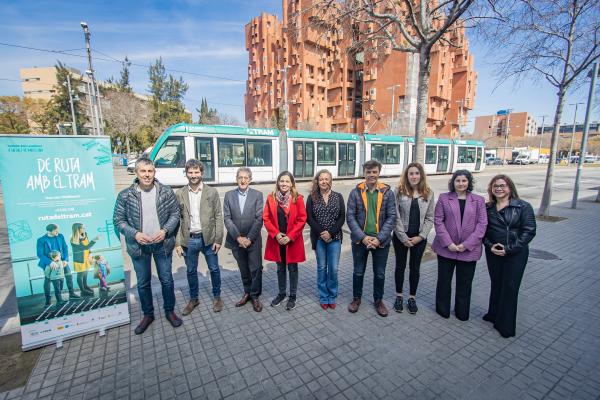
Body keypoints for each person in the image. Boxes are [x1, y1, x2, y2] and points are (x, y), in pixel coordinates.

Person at [114, 158, 182, 335]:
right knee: (143, 283)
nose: (147, 175)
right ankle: (148, 314)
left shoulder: (166, 192)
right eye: (143, 171)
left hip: (162, 245)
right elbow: (118, 220)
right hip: (139, 246)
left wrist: (166, 230)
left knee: (166, 280)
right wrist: (135, 234)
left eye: (150, 171)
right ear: (136, 173)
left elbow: (175, 214)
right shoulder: (125, 195)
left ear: (154, 173)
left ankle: (170, 311)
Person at [483, 174, 536, 338]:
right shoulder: (488, 208)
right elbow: (482, 231)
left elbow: (529, 231)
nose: (498, 188)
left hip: (515, 254)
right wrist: (491, 246)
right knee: (496, 283)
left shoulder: (523, 207)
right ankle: (493, 314)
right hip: (493, 252)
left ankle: (505, 325)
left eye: (502, 185)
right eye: (495, 186)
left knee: (510, 288)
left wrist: (509, 248)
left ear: (510, 188)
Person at [432, 170, 487, 321]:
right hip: (446, 248)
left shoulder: (479, 201)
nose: (461, 183)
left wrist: (467, 244)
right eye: (458, 181)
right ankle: (442, 309)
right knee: (444, 281)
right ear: (453, 182)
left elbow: (482, 225)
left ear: (469, 182)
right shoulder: (444, 198)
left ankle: (462, 311)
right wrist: (448, 242)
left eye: (464, 181)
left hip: (468, 250)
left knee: (465, 283)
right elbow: (438, 221)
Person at [346, 160, 396, 317]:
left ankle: (378, 300)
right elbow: (350, 216)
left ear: (379, 173)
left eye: (374, 171)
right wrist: (363, 237)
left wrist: (379, 238)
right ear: (364, 173)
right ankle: (356, 299)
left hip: (381, 242)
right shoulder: (356, 192)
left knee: (379, 273)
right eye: (369, 172)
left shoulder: (387, 192)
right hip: (360, 241)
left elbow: (392, 217)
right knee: (358, 271)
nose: (372, 175)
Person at [175, 159, 225, 314]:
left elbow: (218, 216)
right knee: (191, 271)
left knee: (214, 269)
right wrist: (177, 243)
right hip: (189, 239)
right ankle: (193, 299)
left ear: (202, 173)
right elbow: (177, 219)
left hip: (208, 238)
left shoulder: (211, 192)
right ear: (186, 174)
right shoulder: (180, 193)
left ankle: (217, 297)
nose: (194, 175)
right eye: (190, 172)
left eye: (196, 172)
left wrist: (218, 239)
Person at [392, 162, 435, 314]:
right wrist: (403, 237)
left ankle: (411, 297)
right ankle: (398, 296)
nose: (414, 176)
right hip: (400, 238)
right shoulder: (398, 192)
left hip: (419, 239)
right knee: (400, 266)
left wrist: (421, 236)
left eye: (417, 173)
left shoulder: (428, 193)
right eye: (411, 173)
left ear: (421, 175)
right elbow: (395, 216)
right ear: (407, 176)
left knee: (415, 268)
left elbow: (430, 218)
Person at [263, 171, 307, 311]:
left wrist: (290, 236)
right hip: (277, 241)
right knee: (280, 269)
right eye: (282, 181)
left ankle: (292, 296)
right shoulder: (271, 198)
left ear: (291, 184)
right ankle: (282, 293)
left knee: (292, 269)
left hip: (292, 242)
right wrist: (276, 234)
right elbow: (266, 218)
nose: (284, 184)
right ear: (278, 182)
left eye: (287, 181)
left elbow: (302, 219)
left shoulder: (297, 198)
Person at [223, 167, 264, 312]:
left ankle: (255, 296)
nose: (243, 180)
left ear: (250, 180)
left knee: (256, 269)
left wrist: (248, 238)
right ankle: (247, 292)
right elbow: (227, 219)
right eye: (240, 177)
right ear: (236, 179)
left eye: (246, 177)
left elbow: (259, 219)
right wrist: (238, 237)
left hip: (253, 240)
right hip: (236, 240)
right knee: (244, 269)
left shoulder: (258, 195)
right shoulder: (228, 195)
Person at [306, 169, 345, 310]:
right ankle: (323, 296)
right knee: (322, 268)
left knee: (333, 269)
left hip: (335, 238)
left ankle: (332, 295)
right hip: (319, 238)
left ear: (331, 181)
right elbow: (309, 218)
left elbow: (342, 217)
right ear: (317, 181)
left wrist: (331, 232)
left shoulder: (338, 196)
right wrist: (322, 233)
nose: (324, 181)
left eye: (326, 179)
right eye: (321, 179)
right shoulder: (312, 197)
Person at [37, 223, 80, 306]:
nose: (58, 231)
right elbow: (40, 254)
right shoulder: (41, 240)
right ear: (49, 231)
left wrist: (66, 260)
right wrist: (50, 262)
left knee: (69, 276)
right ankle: (48, 300)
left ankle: (71, 294)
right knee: (48, 280)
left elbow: (65, 248)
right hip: (49, 263)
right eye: (55, 230)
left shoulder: (60, 236)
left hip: (62, 262)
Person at [70, 223, 98, 297]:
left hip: (86, 258)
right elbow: (84, 247)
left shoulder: (84, 235)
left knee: (85, 273)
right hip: (79, 260)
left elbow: (88, 248)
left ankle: (85, 286)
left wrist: (90, 254)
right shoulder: (73, 239)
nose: (84, 229)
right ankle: (82, 290)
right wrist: (94, 240)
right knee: (80, 275)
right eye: (82, 228)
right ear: (77, 229)